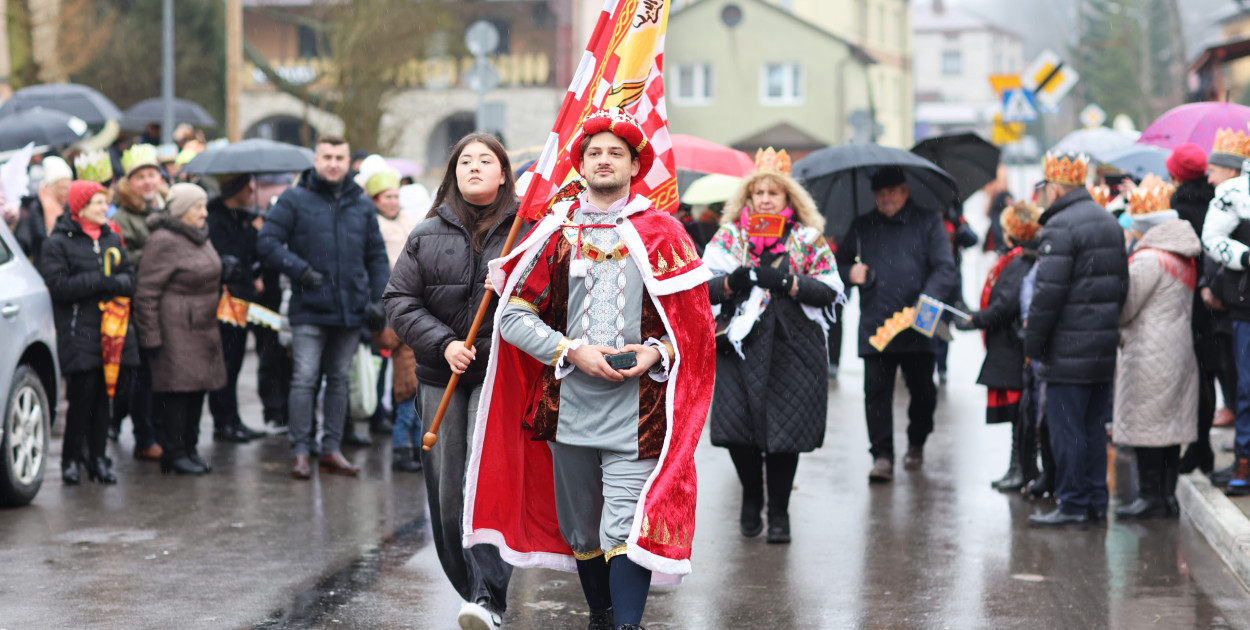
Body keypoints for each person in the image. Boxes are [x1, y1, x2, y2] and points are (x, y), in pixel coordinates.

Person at [461, 109, 715, 630]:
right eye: (594, 153)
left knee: (623, 523)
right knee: (582, 529)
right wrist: (570, 350)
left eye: (614, 153)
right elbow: (511, 315)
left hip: (640, 407)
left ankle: (627, 625)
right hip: (567, 404)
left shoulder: (664, 231)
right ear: (579, 164)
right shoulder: (556, 232)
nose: (603, 160)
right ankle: (602, 614)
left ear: (633, 164)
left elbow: (693, 328)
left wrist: (655, 353)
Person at [383, 133, 518, 628]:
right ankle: (472, 592)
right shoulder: (425, 233)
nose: (475, 167)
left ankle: (488, 598)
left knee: (485, 485)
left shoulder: (527, 231)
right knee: (446, 495)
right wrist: (443, 343)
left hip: (499, 377)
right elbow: (398, 300)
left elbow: (552, 299)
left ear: (504, 173)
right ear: (453, 172)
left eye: (486, 160)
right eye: (466, 160)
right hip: (440, 377)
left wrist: (517, 286)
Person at [703, 147, 844, 543]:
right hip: (739, 347)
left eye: (773, 193)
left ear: (788, 200)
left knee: (787, 434)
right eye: (758, 192)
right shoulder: (729, 238)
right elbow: (703, 288)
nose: (765, 199)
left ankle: (779, 512)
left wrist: (786, 282)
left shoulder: (807, 240)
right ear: (747, 198)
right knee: (737, 431)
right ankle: (751, 493)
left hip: (792, 346)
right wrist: (737, 280)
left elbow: (830, 292)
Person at [257, 135, 391, 479]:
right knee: (304, 379)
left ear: (348, 162)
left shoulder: (360, 203)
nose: (333, 163)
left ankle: (331, 449)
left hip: (350, 309)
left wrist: (379, 299)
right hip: (309, 308)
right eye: (327, 156)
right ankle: (300, 451)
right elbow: (267, 242)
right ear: (316, 160)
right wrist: (300, 270)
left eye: (340, 157)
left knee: (338, 381)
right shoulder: (294, 198)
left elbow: (376, 255)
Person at [835, 166, 959, 483]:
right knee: (876, 394)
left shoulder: (928, 221)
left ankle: (916, 441)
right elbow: (837, 264)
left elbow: (945, 268)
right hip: (876, 323)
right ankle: (882, 457)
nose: (886, 199)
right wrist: (851, 273)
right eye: (880, 194)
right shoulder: (862, 225)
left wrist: (928, 299)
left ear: (905, 191)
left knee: (923, 393)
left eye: (891, 192)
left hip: (918, 324)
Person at [1024, 153, 1129, 527]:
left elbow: (1047, 296)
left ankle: (1072, 504)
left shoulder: (1061, 228)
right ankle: (1095, 503)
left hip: (1068, 350)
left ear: (1054, 187)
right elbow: (1122, 288)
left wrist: (1032, 344)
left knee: (1067, 429)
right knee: (1092, 429)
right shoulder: (1108, 223)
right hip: (1100, 348)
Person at [40, 180, 139, 484]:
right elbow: (58, 286)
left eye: (104, 203)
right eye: (97, 203)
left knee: (106, 396)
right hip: (78, 330)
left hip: (113, 329)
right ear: (80, 207)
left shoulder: (112, 238)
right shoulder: (57, 243)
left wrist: (115, 283)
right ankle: (72, 458)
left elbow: (129, 278)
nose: (104, 209)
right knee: (83, 396)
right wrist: (100, 281)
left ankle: (98, 457)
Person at [1112, 177, 1201, 518]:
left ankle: (1150, 496)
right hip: (1177, 347)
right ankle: (1166, 495)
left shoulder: (1148, 259)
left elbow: (1127, 307)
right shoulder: (1183, 256)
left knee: (1147, 425)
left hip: (1149, 351)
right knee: (1168, 427)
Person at [134, 183, 228, 475]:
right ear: (182, 211)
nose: (204, 212)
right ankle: (173, 453)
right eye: (198, 207)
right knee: (178, 394)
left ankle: (189, 448)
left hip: (203, 327)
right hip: (175, 329)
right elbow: (146, 292)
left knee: (198, 390)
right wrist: (150, 336)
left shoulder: (200, 236)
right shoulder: (163, 240)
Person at [954, 201, 1042, 491]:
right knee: (1019, 414)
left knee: (1020, 413)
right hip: (1008, 345)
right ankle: (1017, 468)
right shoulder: (1017, 259)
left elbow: (1005, 305)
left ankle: (1022, 470)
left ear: (1012, 232)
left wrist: (975, 320)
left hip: (1012, 346)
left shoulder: (1019, 262)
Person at [1167, 143, 1226, 475]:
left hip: (1194, 300)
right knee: (1212, 376)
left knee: (1199, 377)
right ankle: (1201, 449)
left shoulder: (1181, 206)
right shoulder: (1215, 198)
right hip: (1218, 299)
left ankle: (1200, 448)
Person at [360, 159, 423, 472]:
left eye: (396, 196)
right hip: (384, 296)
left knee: (400, 366)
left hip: (407, 291)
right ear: (374, 200)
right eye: (386, 197)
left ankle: (392, 423)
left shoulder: (409, 219)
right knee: (382, 358)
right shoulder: (372, 224)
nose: (393, 202)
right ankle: (376, 414)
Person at [109, 144, 167, 460]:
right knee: (142, 374)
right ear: (129, 182)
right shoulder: (122, 217)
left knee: (159, 372)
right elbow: (122, 258)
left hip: (164, 304)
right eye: (140, 176)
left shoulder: (163, 209)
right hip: (138, 305)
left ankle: (156, 430)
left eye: (152, 175)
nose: (147, 182)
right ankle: (144, 436)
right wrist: (159, 254)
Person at [1201, 127, 1250, 495]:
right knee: (1246, 387)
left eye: (1214, 167)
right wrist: (1244, 257)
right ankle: (1245, 461)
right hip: (1245, 308)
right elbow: (1212, 239)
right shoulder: (1231, 196)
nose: (1208, 174)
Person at [205, 173, 268, 444]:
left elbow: (254, 253)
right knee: (225, 364)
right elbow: (224, 258)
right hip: (224, 301)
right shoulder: (215, 220)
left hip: (243, 300)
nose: (253, 190)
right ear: (237, 189)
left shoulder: (242, 218)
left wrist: (256, 228)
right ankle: (223, 422)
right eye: (249, 185)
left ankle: (234, 420)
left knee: (237, 360)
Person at [13, 155, 72, 262]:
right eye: (63, 187)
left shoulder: (69, 204)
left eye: (68, 185)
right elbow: (41, 237)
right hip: (47, 259)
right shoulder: (37, 206)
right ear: (53, 186)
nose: (66, 191)